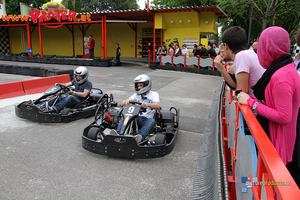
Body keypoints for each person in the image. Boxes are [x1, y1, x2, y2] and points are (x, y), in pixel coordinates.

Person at [237, 26, 300, 188]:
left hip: (276, 138)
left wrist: (251, 102)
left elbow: (284, 116)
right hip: (277, 134)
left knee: (272, 184)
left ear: (269, 48)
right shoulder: (284, 66)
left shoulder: (281, 76)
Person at [110, 74, 160, 144]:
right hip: (135, 118)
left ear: (146, 85)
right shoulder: (136, 95)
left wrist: (147, 104)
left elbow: (157, 105)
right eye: (138, 86)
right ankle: (118, 135)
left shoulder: (154, 94)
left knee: (151, 121)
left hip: (146, 120)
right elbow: (122, 103)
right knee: (125, 116)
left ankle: (139, 138)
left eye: (141, 86)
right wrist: (126, 102)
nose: (139, 87)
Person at [219, 26, 265, 97]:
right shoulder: (250, 53)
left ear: (226, 46)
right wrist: (221, 68)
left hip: (255, 104)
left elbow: (242, 92)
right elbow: (236, 85)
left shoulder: (241, 56)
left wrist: (235, 95)